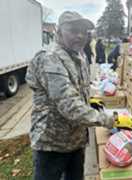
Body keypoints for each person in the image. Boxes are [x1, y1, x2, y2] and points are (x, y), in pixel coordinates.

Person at [25, 11, 114, 180]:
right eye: (73, 30)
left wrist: (90, 102)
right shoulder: (50, 58)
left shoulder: (77, 54)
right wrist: (105, 119)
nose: (80, 36)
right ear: (59, 31)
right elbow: (68, 104)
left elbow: (78, 89)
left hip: (75, 140)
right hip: (52, 144)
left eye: (84, 31)